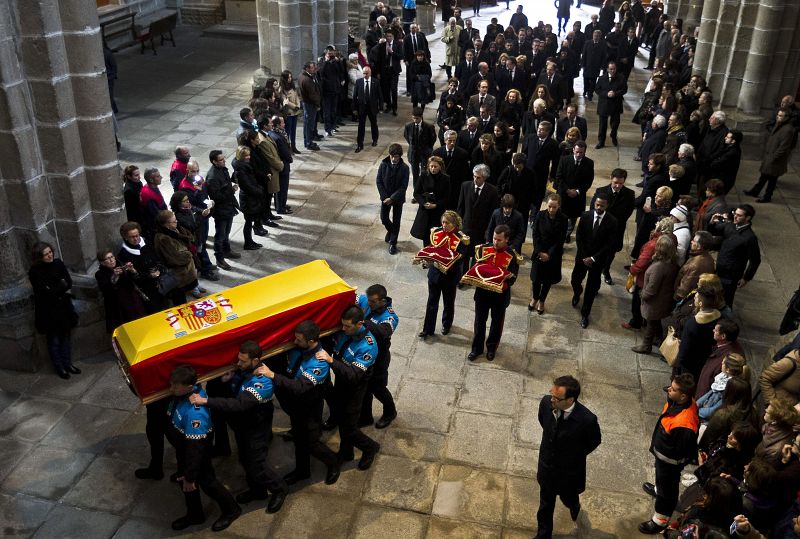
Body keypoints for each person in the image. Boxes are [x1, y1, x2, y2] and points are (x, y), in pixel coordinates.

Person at [189, 341, 288, 513]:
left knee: (257, 465)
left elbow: (240, 404)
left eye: (243, 361)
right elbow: (236, 387)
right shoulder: (245, 371)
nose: (238, 364)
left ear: (256, 360)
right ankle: (258, 491)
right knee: (244, 460)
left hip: (256, 429)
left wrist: (206, 401)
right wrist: (227, 380)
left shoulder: (262, 381)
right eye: (238, 360)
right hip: (243, 426)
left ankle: (279, 488)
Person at [258, 321, 340, 485]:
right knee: (299, 439)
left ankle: (333, 462)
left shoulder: (319, 363)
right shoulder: (298, 350)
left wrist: (272, 375)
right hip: (297, 405)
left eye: (299, 340)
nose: (295, 342)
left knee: (311, 441)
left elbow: (299, 387)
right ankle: (303, 471)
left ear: (311, 341)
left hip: (309, 407)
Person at [164, 366, 241, 532]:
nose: (171, 389)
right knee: (185, 481)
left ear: (189, 387)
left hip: (194, 453)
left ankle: (231, 509)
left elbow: (195, 450)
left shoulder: (195, 415)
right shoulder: (183, 394)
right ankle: (195, 515)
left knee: (207, 483)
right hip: (183, 450)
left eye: (175, 386)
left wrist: (190, 476)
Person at [536, 375, 601, 538]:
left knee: (568, 497)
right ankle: (543, 535)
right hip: (547, 467)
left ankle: (574, 505)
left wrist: (574, 454)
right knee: (545, 504)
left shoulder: (587, 420)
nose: (552, 400)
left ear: (570, 400)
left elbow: (594, 441)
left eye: (557, 398)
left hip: (569, 473)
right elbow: (544, 422)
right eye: (552, 394)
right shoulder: (546, 403)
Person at [318, 305, 381, 470]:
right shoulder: (345, 333)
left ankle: (370, 447)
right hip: (341, 382)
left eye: (347, 326)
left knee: (350, 428)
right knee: (340, 419)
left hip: (355, 388)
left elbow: (353, 375)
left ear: (359, 323)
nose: (343, 329)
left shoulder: (368, 347)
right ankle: (346, 452)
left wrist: (331, 361)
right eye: (343, 325)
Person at [639, 373, 700, 534]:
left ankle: (660, 520)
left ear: (683, 396)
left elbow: (681, 451)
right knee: (662, 482)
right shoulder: (678, 401)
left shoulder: (685, 423)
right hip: (663, 457)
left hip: (670, 463)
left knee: (668, 489)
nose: (668, 391)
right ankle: (659, 490)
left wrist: (670, 465)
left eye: (673, 389)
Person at [467, 224, 520, 361]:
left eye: (499, 240)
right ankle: (477, 349)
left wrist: (502, 284)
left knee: (496, 324)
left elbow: (512, 278)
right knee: (479, 322)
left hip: (499, 297)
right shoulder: (483, 249)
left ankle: (491, 348)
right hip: (482, 294)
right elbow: (475, 266)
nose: (495, 242)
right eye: (494, 239)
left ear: (506, 239)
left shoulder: (511, 256)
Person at [28, 242, 80, 380]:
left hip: (63, 307)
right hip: (49, 312)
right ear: (39, 257)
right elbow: (44, 293)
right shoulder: (35, 272)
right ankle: (59, 367)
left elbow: (68, 282)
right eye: (45, 254)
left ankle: (68, 364)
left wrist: (56, 289)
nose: (49, 255)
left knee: (66, 338)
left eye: (50, 252)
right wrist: (59, 287)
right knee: (54, 341)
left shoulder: (58, 263)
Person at [419, 210, 470, 338]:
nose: (443, 225)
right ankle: (428, 329)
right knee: (431, 302)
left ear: (454, 224)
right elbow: (432, 248)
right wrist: (429, 259)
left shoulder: (461, 239)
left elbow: (460, 260)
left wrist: (445, 264)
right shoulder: (436, 232)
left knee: (448, 303)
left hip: (450, 277)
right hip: (434, 275)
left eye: (447, 223)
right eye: (442, 222)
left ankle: (446, 325)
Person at [571, 192, 618, 329]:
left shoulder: (612, 221)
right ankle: (577, 292)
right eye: (597, 204)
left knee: (591, 289)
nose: (599, 208)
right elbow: (579, 236)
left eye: (602, 206)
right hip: (582, 257)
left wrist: (593, 258)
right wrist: (585, 256)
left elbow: (609, 244)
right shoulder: (585, 216)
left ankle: (585, 314)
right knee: (575, 279)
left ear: (606, 206)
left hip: (597, 261)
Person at [358, 285, 399, 429]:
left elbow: (383, 332)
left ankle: (390, 411)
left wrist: (363, 322)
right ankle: (365, 417)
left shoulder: (390, 316)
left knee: (378, 387)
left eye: (373, 302)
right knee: (365, 387)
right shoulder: (365, 301)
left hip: (380, 357)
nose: (369, 304)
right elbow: (354, 298)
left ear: (382, 300)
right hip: (364, 354)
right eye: (369, 300)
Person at [632, 235, 679, 354]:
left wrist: (643, 295)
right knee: (655, 321)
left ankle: (646, 346)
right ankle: (659, 339)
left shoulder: (659, 267)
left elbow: (652, 288)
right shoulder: (672, 263)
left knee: (651, 323)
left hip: (655, 301)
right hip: (664, 298)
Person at [707, 204, 761, 308]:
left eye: (739, 215)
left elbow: (755, 260)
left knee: (725, 301)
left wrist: (746, 278)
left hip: (731, 276)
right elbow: (714, 230)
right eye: (735, 214)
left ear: (748, 218)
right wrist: (712, 222)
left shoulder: (750, 238)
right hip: (719, 269)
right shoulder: (731, 225)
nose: (735, 217)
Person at [591, 169, 636, 284]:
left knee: (611, 252)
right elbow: (593, 209)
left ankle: (606, 270)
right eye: (615, 182)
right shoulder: (601, 191)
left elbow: (628, 212)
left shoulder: (629, 194)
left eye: (621, 183)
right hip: (601, 228)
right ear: (611, 178)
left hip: (617, 229)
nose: (617, 186)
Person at [746, 107, 798, 203]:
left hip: (775, 159)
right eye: (778, 115)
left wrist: (774, 158)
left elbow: (784, 147)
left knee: (772, 180)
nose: (778, 117)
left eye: (781, 116)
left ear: (787, 117)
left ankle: (767, 197)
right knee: (764, 176)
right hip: (770, 156)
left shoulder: (788, 130)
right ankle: (755, 191)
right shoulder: (779, 125)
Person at [116, 221, 167, 314]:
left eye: (137, 235)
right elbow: (132, 277)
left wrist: (159, 269)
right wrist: (149, 275)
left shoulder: (146, 242)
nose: (136, 239)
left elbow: (157, 257)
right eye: (132, 237)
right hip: (145, 288)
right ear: (126, 237)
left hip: (159, 281)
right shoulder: (123, 255)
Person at [530, 194, 568, 314]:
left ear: (559, 206)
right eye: (550, 206)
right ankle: (535, 298)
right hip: (539, 252)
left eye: (554, 207)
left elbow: (560, 239)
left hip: (553, 254)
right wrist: (540, 251)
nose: (551, 209)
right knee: (536, 279)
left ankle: (542, 301)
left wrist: (549, 254)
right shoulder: (540, 215)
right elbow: (535, 234)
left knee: (547, 280)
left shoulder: (563, 219)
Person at [675, 284, 722, 380]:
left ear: (701, 303)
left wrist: (679, 363)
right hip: (705, 359)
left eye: (696, 297)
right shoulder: (720, 317)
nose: (694, 299)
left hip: (689, 363)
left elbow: (685, 349)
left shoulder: (693, 324)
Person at [457, 164, 501, 267]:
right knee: (464, 255)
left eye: (478, 177)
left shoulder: (492, 191)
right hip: (466, 228)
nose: (475, 179)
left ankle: (473, 276)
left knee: (478, 256)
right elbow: (460, 208)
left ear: (484, 178)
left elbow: (492, 213)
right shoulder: (465, 186)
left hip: (481, 230)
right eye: (474, 176)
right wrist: (459, 226)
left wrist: (488, 231)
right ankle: (462, 278)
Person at [153, 210, 198, 307]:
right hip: (178, 274)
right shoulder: (163, 239)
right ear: (166, 225)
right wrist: (189, 253)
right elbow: (176, 258)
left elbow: (190, 237)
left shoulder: (177, 229)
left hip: (186, 271)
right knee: (180, 300)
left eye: (176, 220)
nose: (177, 222)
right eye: (174, 221)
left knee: (186, 289)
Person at [94, 249, 146, 332]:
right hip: (118, 307)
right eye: (107, 259)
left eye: (112, 257)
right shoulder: (100, 274)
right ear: (102, 262)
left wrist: (133, 270)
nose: (111, 260)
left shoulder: (122, 265)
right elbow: (106, 289)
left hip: (133, 301)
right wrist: (114, 276)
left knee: (140, 325)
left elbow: (137, 280)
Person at [205, 150, 240, 271]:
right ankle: (219, 258)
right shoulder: (212, 177)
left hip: (228, 206)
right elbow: (217, 197)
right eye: (221, 160)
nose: (224, 161)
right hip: (221, 210)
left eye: (223, 159)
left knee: (227, 232)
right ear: (214, 162)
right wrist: (231, 190)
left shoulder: (222, 169)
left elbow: (226, 184)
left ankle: (227, 250)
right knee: (220, 235)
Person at [556, 140, 595, 243]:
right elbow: (559, 177)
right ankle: (559, 234)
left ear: (584, 152)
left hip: (578, 196)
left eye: (581, 152)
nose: (578, 154)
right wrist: (567, 190)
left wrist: (577, 191)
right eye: (577, 151)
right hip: (564, 194)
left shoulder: (589, 163)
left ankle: (567, 234)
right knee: (560, 215)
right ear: (573, 150)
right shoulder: (564, 160)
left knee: (573, 217)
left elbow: (588, 181)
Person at [376, 143, 409, 255]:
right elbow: (379, 180)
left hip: (397, 199)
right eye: (392, 156)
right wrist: (385, 197)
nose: (394, 159)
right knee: (384, 218)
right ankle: (391, 231)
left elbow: (403, 186)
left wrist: (392, 198)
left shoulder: (405, 168)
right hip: (385, 197)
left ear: (400, 156)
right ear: (389, 155)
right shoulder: (383, 164)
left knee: (396, 220)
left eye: (397, 157)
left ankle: (393, 242)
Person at [231, 145, 266, 251]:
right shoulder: (241, 170)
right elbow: (248, 186)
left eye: (249, 155)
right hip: (248, 199)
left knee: (250, 221)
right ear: (241, 156)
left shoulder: (243, 166)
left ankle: (250, 241)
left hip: (250, 198)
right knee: (248, 222)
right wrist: (260, 190)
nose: (248, 157)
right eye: (246, 156)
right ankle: (248, 243)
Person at [410, 156, 450, 246]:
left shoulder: (445, 179)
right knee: (426, 236)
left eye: (435, 166)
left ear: (440, 167)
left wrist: (436, 205)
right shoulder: (424, 175)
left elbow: (446, 197)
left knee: (437, 236)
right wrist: (423, 203)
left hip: (437, 211)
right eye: (431, 166)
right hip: (425, 210)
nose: (433, 169)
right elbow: (416, 193)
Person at [433, 130, 471, 209]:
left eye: (454, 141)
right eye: (450, 140)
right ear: (445, 140)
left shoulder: (463, 154)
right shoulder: (437, 153)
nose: (452, 143)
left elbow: (465, 173)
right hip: (441, 187)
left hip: (455, 188)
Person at [674, 230, 716, 301]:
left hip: (687, 299)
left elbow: (684, 290)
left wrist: (676, 297)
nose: (691, 242)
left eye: (694, 241)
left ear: (699, 247)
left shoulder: (695, 265)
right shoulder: (709, 258)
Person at [594, 61, 627, 148]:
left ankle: (613, 135)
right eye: (611, 69)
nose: (612, 71)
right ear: (607, 69)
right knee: (602, 125)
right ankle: (601, 141)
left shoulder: (621, 78)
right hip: (604, 104)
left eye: (614, 69)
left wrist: (615, 93)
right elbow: (597, 90)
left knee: (615, 123)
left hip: (615, 104)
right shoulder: (601, 78)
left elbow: (624, 90)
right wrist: (606, 94)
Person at [497, 153, 536, 226]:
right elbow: (499, 183)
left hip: (523, 204)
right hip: (508, 202)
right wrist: (501, 197)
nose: (517, 169)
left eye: (520, 167)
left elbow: (533, 189)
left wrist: (530, 203)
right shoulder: (508, 170)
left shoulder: (530, 173)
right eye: (516, 167)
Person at [404, 107, 437, 186]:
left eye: (417, 118)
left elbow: (433, 139)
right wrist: (412, 146)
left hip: (424, 153)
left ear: (421, 117)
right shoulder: (408, 126)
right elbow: (407, 137)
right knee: (415, 174)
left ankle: (424, 191)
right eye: (414, 118)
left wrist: (427, 148)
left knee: (424, 173)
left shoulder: (428, 127)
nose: (415, 120)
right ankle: (416, 193)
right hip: (414, 154)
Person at [352, 66, 382, 152]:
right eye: (364, 73)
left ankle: (375, 139)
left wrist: (380, 107)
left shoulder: (375, 82)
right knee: (361, 126)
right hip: (362, 107)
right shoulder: (359, 82)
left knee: (374, 124)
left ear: (370, 73)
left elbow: (380, 95)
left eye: (367, 73)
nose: (365, 75)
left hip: (372, 107)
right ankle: (360, 144)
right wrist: (354, 108)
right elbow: (355, 96)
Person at [139, 168, 167, 241]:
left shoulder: (152, 187)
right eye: (158, 176)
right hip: (155, 227)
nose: (161, 177)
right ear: (151, 180)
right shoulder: (148, 194)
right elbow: (156, 214)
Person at [298, 61, 322, 151]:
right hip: (310, 104)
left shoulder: (302, 76)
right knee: (309, 124)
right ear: (307, 68)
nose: (314, 68)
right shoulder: (307, 79)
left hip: (306, 103)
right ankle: (308, 143)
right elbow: (312, 94)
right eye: (312, 67)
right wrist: (317, 104)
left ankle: (307, 141)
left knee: (307, 123)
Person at [278, 70, 302, 154]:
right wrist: (295, 107)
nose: (290, 79)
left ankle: (294, 146)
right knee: (287, 132)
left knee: (293, 131)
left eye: (291, 77)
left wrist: (298, 105)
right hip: (289, 113)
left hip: (295, 112)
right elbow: (285, 101)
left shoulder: (292, 86)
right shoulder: (282, 89)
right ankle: (287, 148)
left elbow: (297, 97)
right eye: (288, 77)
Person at [581, 30, 607, 102]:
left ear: (600, 37)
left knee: (593, 81)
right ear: (593, 35)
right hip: (587, 65)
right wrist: (582, 64)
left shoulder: (602, 44)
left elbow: (604, 56)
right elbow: (584, 54)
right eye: (595, 35)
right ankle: (585, 90)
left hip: (596, 66)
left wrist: (602, 66)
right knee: (585, 80)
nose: (596, 37)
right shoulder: (587, 43)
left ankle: (590, 94)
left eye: (598, 36)